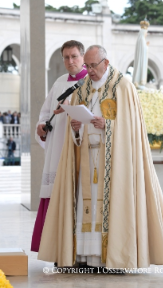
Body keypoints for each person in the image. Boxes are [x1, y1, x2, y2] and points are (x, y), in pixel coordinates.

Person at [38, 45, 163, 270]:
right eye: (88, 66)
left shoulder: (123, 87)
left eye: (93, 65)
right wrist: (76, 128)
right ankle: (85, 257)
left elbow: (132, 129)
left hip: (113, 163)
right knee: (86, 205)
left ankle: (112, 259)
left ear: (106, 62)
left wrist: (108, 126)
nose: (90, 70)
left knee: (109, 207)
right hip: (86, 160)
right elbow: (74, 130)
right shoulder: (81, 89)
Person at [31, 40, 87, 252]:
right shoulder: (59, 83)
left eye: (74, 56)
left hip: (78, 148)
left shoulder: (90, 83)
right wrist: (40, 127)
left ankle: (77, 250)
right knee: (54, 194)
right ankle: (55, 248)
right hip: (56, 149)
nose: (70, 61)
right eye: (66, 57)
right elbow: (46, 113)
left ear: (82, 58)